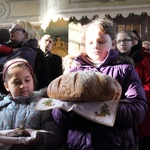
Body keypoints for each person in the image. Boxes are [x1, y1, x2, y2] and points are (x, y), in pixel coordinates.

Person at [51, 17, 148, 150]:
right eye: (90, 42)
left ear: (113, 43)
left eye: (101, 41)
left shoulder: (125, 71)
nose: (95, 46)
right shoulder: (73, 73)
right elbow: (58, 116)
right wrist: (66, 110)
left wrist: (101, 108)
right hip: (80, 144)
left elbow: (138, 109)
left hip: (115, 143)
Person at [0, 58, 64, 150]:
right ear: (7, 86)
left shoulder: (44, 105)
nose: (23, 86)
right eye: (17, 82)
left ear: (33, 81)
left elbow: (56, 136)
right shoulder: (2, 107)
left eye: (27, 80)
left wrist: (39, 140)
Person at [116, 29, 150, 150]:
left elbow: (148, 82)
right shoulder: (113, 60)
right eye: (119, 41)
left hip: (139, 102)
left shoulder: (142, 59)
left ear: (133, 42)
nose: (122, 43)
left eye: (125, 40)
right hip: (118, 105)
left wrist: (136, 93)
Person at [0, 20, 50, 94]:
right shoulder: (7, 49)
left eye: (15, 29)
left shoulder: (27, 52)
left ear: (26, 34)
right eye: (11, 29)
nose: (11, 32)